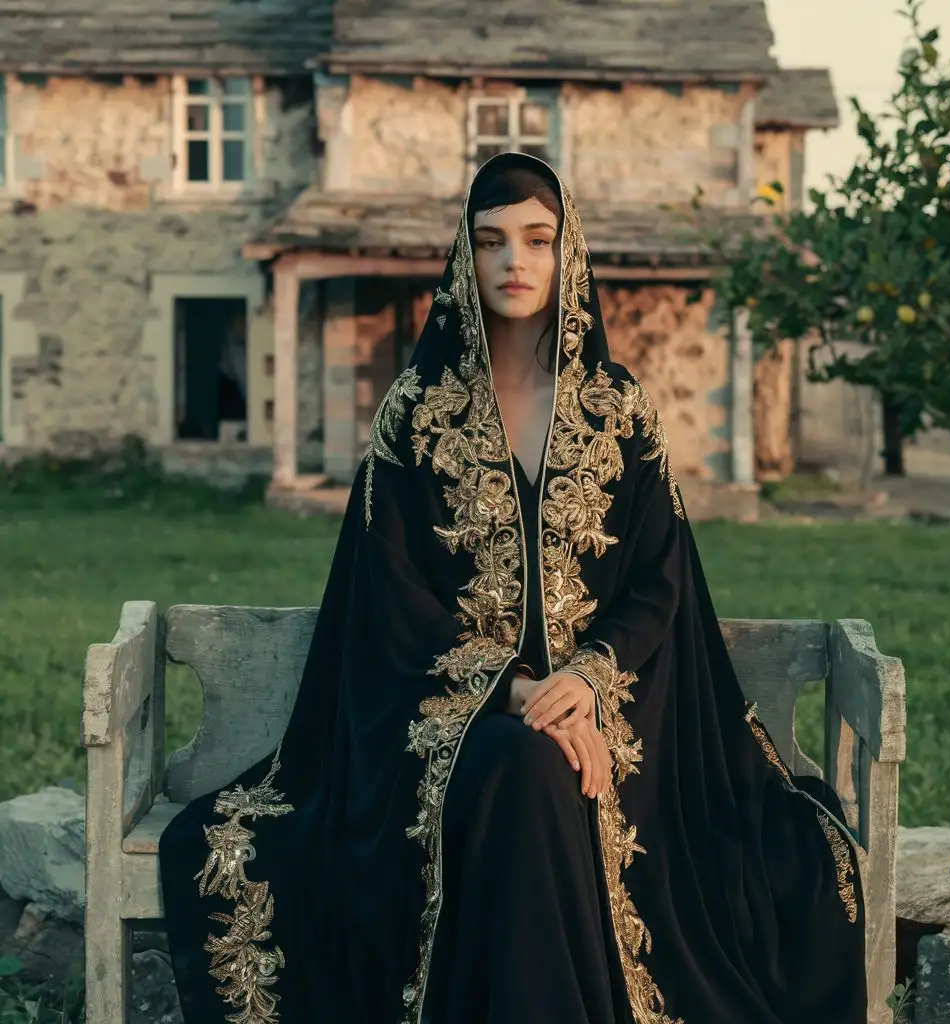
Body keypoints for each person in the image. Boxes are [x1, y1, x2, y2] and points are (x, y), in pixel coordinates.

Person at [159, 152, 867, 1024]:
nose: (514, 261)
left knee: (555, 770)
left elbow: (661, 580)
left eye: (537, 238)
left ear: (567, 251)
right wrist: (520, 688)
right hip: (447, 720)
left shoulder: (618, 410)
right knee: (521, 764)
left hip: (615, 709)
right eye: (491, 240)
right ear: (465, 256)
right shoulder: (417, 414)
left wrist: (587, 682)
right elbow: (389, 596)